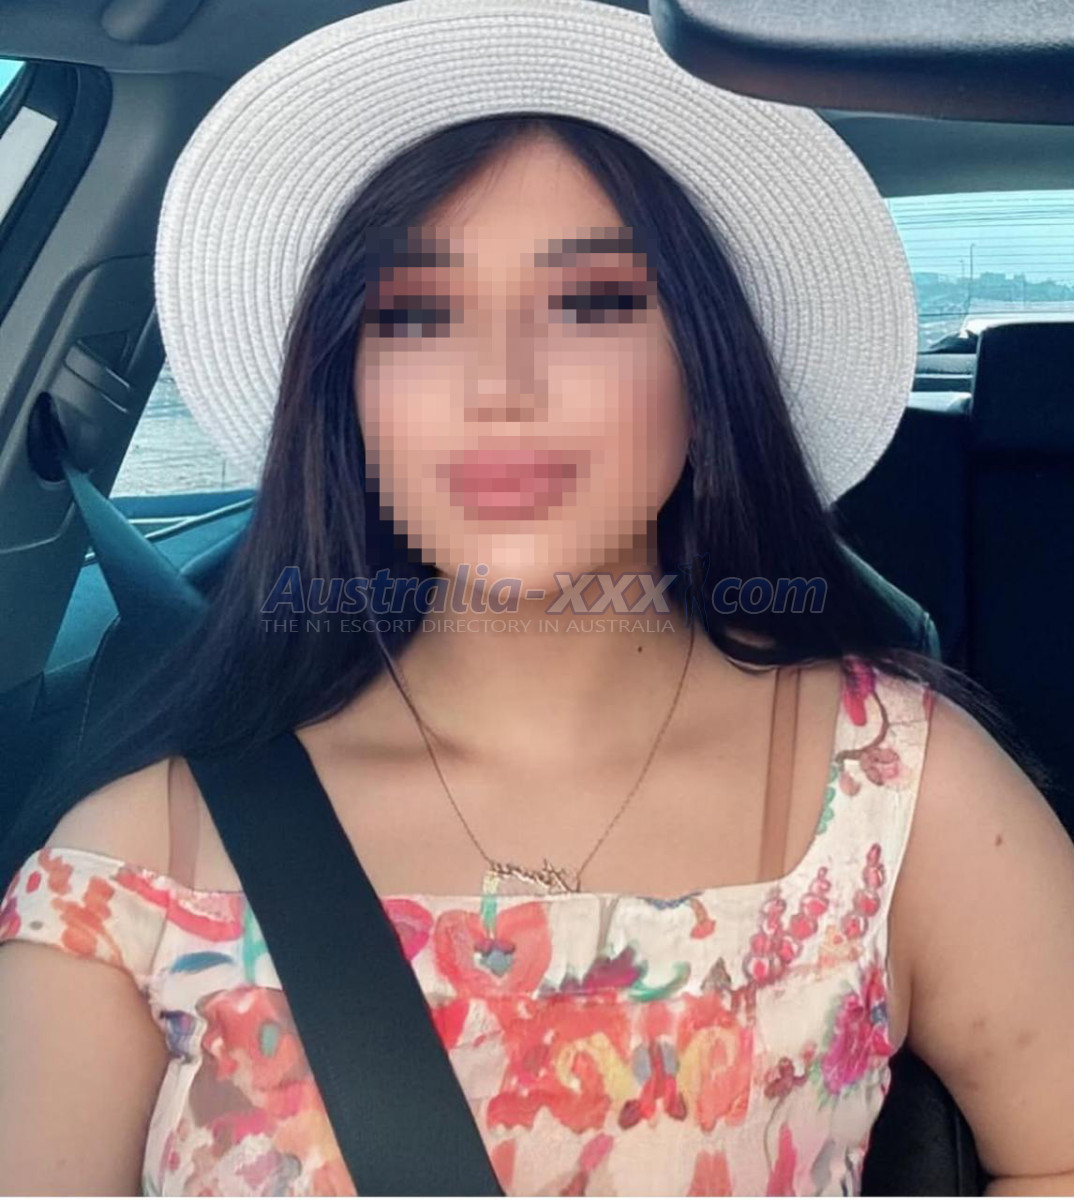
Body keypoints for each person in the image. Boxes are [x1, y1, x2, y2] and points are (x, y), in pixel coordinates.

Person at [2, 1, 1073, 1195]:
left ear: (706, 368)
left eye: (593, 303)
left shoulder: (899, 792)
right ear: (348, 393)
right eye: (417, 315)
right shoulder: (133, 861)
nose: (499, 388)